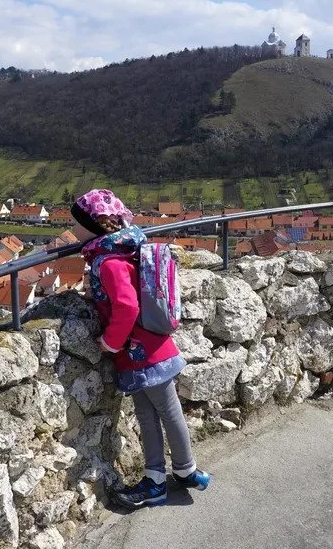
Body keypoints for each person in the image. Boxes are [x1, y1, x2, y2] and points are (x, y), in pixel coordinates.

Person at [70, 189, 210, 509]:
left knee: (166, 412)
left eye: (76, 223)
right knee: (150, 416)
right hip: (145, 350)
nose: (72, 229)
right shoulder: (123, 250)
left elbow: (127, 306)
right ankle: (157, 480)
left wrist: (109, 341)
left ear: (94, 225)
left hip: (142, 352)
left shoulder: (109, 262)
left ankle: (185, 470)